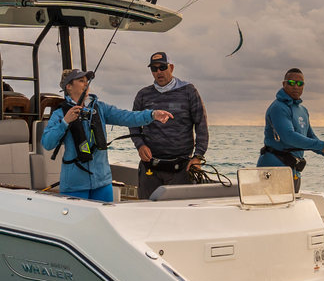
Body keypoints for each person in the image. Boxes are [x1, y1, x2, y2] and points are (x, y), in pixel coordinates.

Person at [42, 68, 172, 203]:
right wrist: (65, 122)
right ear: (69, 86)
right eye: (81, 81)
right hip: (74, 186)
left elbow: (126, 116)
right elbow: (47, 143)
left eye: (87, 81)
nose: (86, 84)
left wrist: (152, 115)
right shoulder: (60, 114)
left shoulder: (100, 108)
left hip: (103, 184)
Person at [130, 50, 209, 200]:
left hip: (181, 168)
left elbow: (201, 124)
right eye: (154, 69)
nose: (158, 72)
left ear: (171, 68)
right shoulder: (143, 94)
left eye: (162, 67)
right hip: (150, 167)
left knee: (178, 211)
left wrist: (198, 156)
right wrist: (140, 145)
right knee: (147, 209)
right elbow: (133, 123)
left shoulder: (189, 91)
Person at [258, 66, 324, 190]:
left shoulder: (303, 110)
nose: (296, 86)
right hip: (273, 170)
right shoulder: (278, 107)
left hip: (294, 171)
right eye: (291, 83)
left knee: (291, 202)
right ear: (284, 84)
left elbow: (310, 137)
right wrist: (321, 145)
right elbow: (288, 136)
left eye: (300, 83)